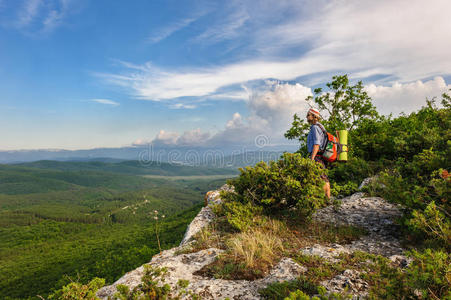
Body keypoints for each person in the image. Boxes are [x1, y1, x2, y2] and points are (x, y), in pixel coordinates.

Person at [306, 108, 331, 200]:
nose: (307, 116)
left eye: (309, 115)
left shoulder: (315, 128)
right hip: (321, 155)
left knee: (322, 178)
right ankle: (326, 199)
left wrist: (312, 158)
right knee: (323, 177)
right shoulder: (320, 126)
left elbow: (317, 144)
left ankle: (326, 199)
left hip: (317, 156)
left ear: (314, 116)